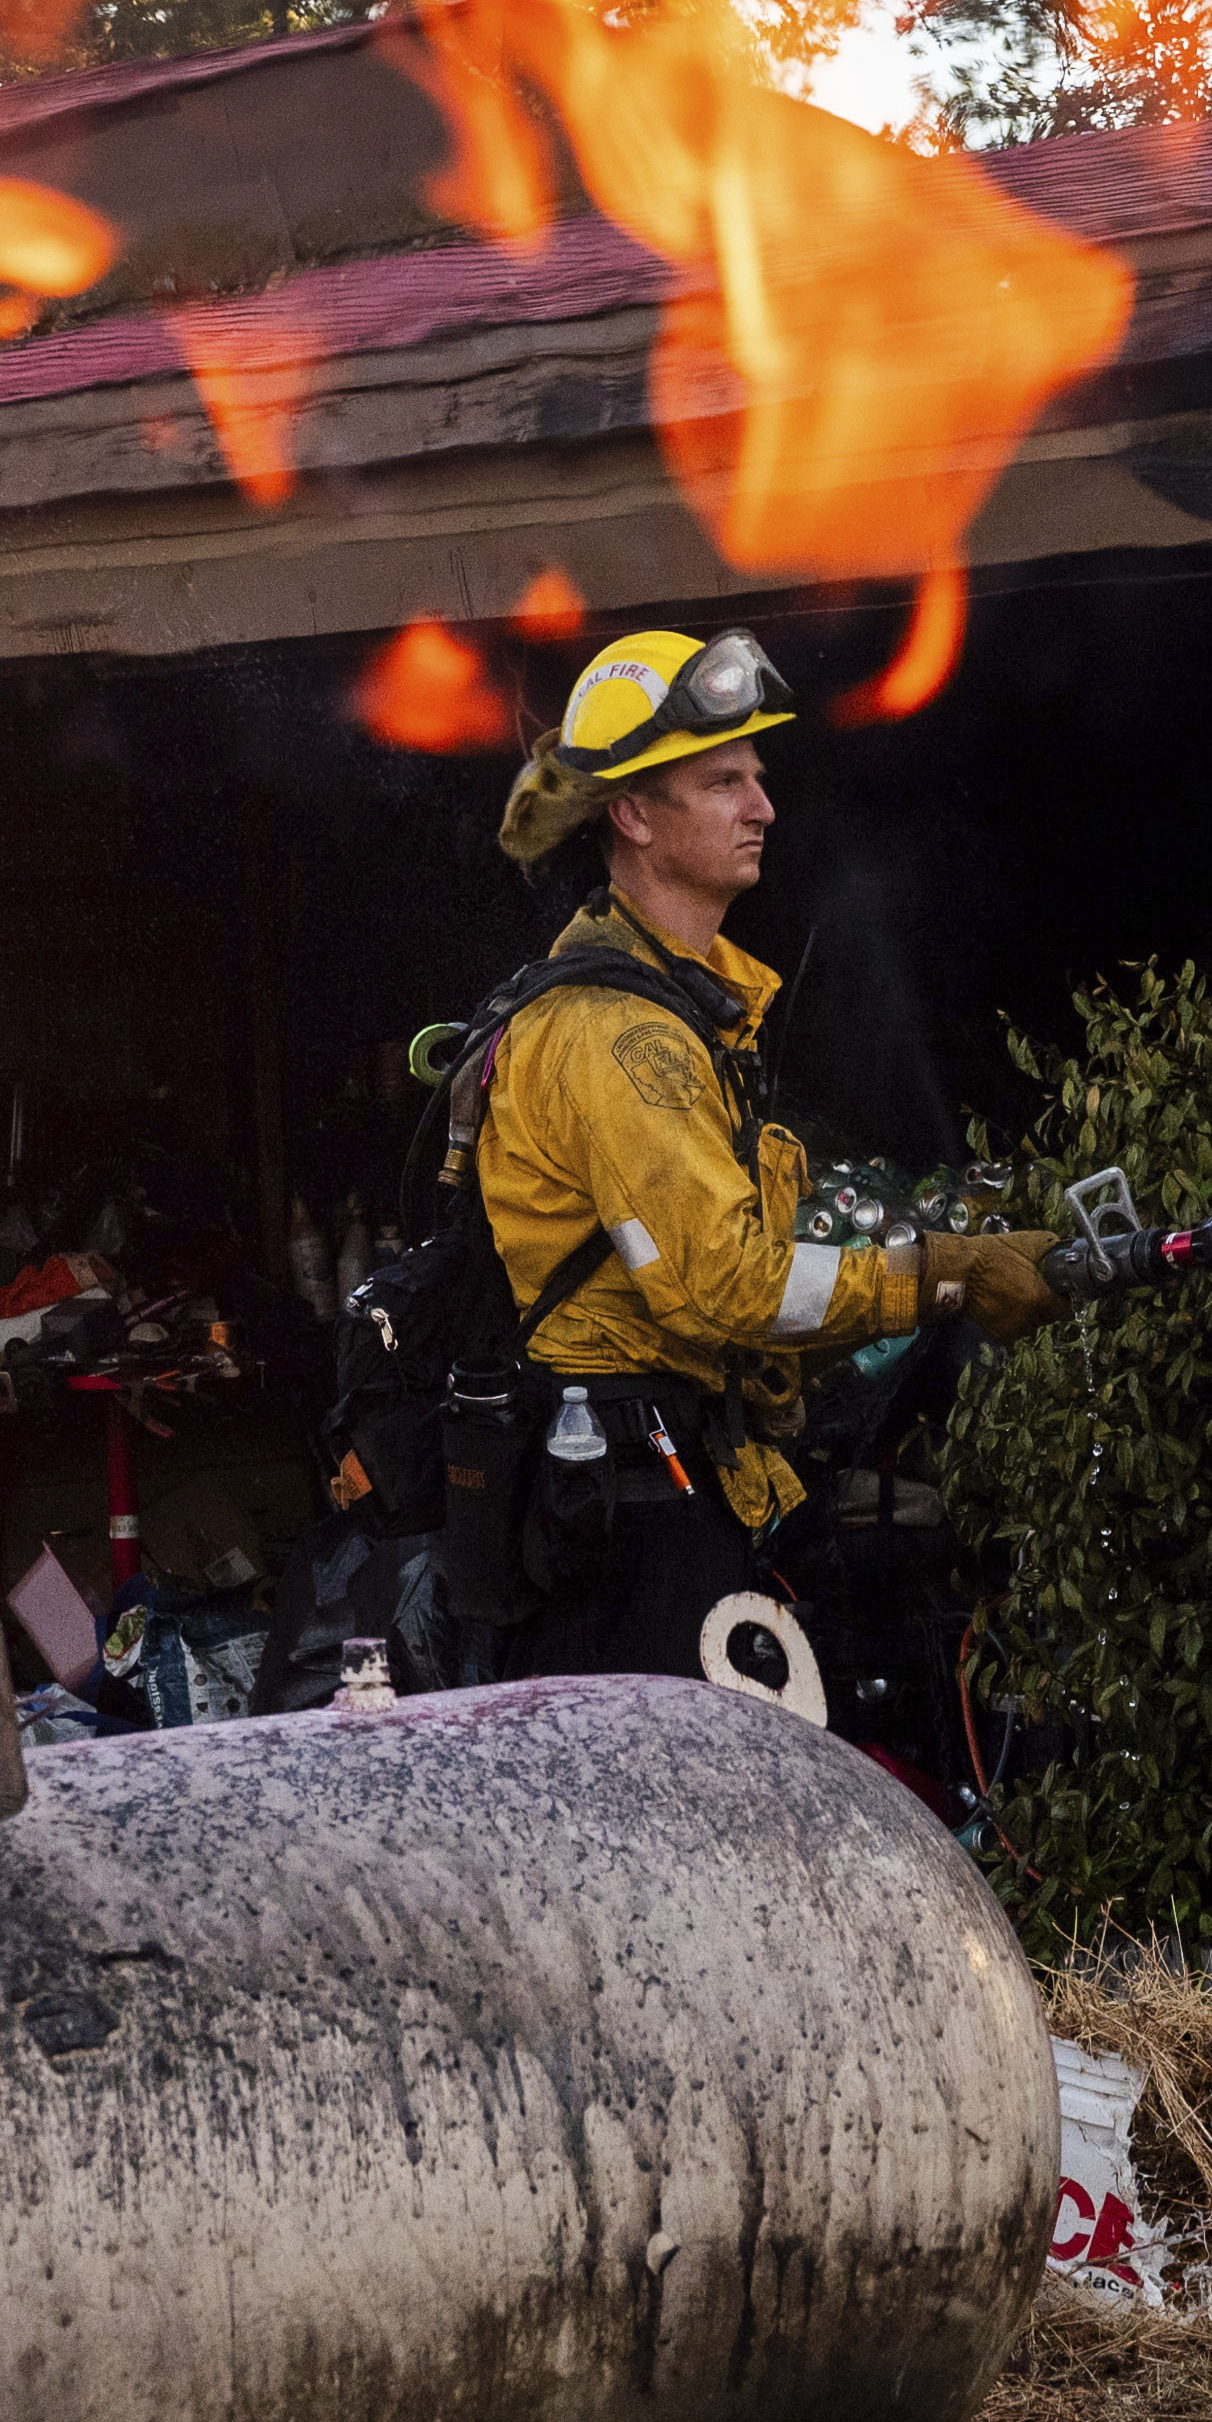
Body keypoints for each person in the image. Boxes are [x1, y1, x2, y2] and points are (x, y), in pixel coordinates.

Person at [473, 628, 1068, 1682]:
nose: (764, 807)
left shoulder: (687, 1012)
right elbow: (727, 1286)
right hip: (630, 1525)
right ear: (634, 815)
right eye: (724, 782)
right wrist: (946, 1274)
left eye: (757, 777)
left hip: (676, 1485)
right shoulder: (622, 1038)